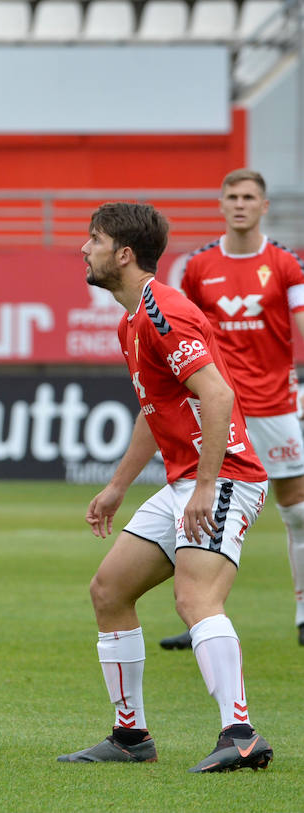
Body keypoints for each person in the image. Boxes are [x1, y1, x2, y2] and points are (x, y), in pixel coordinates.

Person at [58, 202, 272, 772]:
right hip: (185, 480)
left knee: (195, 598)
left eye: (94, 239)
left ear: (123, 254)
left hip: (224, 475)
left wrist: (205, 486)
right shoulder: (131, 321)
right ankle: (132, 738)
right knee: (109, 591)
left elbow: (219, 395)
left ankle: (241, 734)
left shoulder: (163, 314)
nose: (85, 248)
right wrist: (116, 486)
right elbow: (157, 411)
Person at [160, 168, 304, 650]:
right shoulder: (197, 266)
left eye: (249, 197)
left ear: (264, 206)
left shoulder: (285, 262)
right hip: (223, 409)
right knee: (208, 512)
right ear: (221, 204)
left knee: (297, 514)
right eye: (232, 196)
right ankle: (203, 614)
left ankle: (303, 613)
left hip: (278, 406)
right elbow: (186, 331)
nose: (240, 203)